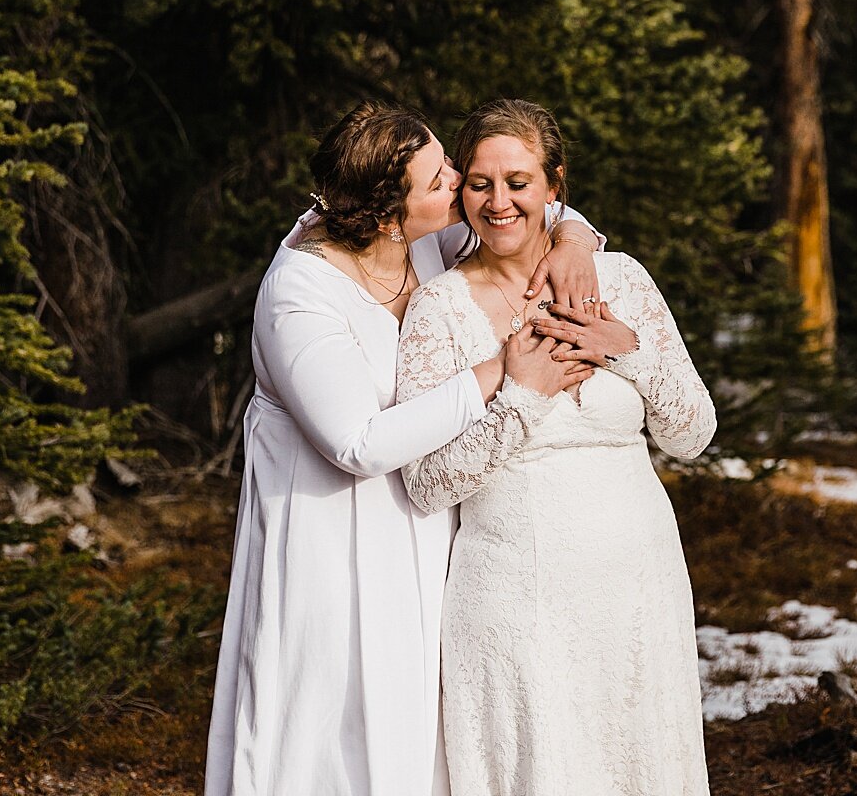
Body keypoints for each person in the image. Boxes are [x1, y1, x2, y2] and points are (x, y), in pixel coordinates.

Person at [204, 100, 604, 796]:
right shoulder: (299, 293)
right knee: (327, 723)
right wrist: (498, 372)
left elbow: (526, 216)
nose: (461, 181)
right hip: (328, 536)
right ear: (391, 214)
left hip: (421, 525)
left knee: (413, 721)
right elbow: (354, 442)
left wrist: (572, 238)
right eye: (442, 177)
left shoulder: (425, 242)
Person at [397, 98, 716, 796]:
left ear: (554, 185)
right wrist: (523, 397)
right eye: (479, 182)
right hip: (515, 596)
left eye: (518, 182)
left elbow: (693, 434)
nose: (499, 201)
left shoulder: (623, 279)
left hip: (638, 586)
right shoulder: (439, 307)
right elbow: (424, 482)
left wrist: (626, 351)